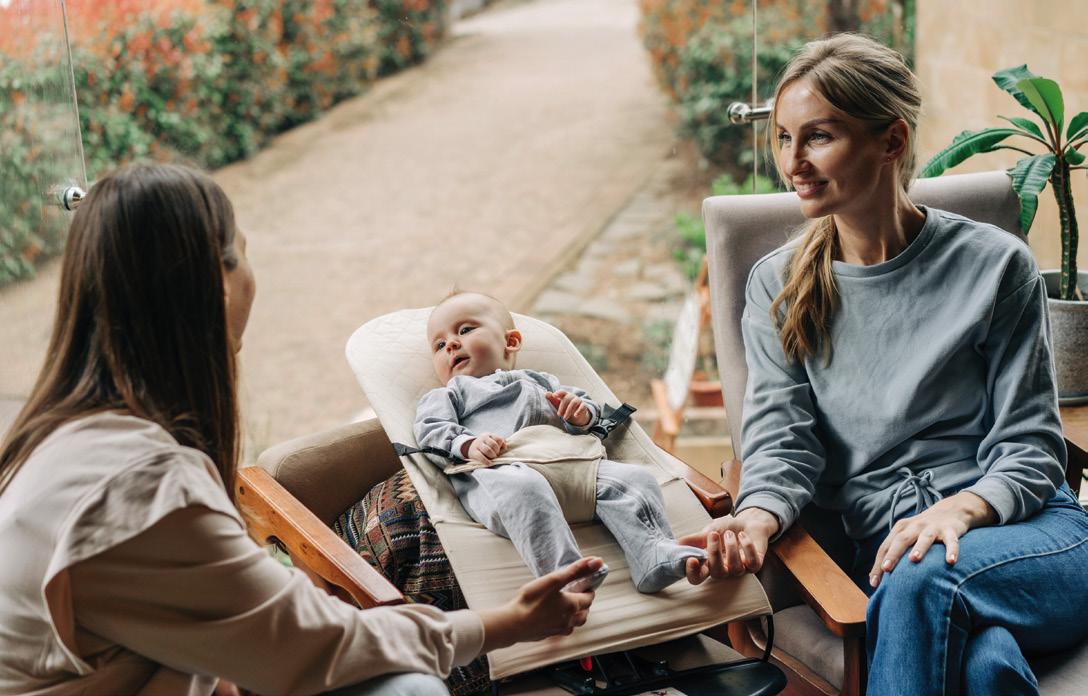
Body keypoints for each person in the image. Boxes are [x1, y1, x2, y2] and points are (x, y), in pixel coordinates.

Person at [0, 163, 604, 695]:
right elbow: (312, 642)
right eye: (243, 252)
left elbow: (187, 621)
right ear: (217, 282)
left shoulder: (64, 437)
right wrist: (511, 622)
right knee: (406, 689)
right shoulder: (145, 487)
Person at [681, 34, 1088, 694]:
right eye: (783, 138)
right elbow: (783, 443)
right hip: (896, 562)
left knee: (926, 579)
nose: (792, 162)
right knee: (985, 668)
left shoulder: (995, 265)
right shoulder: (778, 286)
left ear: (891, 140)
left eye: (817, 137)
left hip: (1032, 538)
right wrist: (756, 517)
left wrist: (960, 511)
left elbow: (1032, 446)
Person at [414, 291, 705, 593]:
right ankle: (565, 574)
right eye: (439, 345)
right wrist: (467, 444)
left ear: (510, 341)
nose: (451, 344)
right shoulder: (450, 393)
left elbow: (588, 412)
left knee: (636, 480)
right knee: (523, 490)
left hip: (574, 468)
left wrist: (580, 414)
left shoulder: (543, 381)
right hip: (505, 470)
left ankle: (653, 553)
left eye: (465, 330)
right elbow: (431, 429)